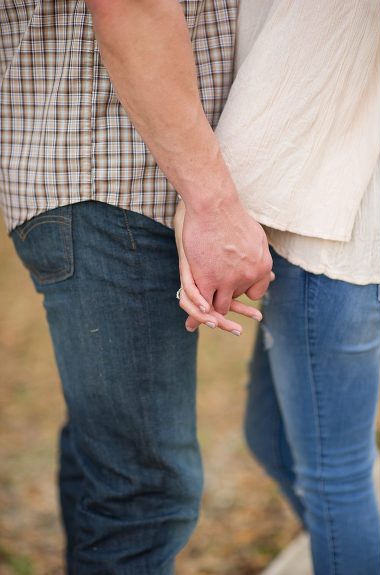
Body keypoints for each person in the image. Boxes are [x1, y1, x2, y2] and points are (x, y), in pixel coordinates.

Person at [0, 1, 272, 572]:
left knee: (107, 456)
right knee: (144, 492)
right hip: (116, 181)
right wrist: (213, 203)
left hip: (89, 183)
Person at [173, 2, 380, 573]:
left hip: (325, 239)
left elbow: (302, 66)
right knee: (270, 436)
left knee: (334, 476)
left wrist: (212, 211)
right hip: (310, 232)